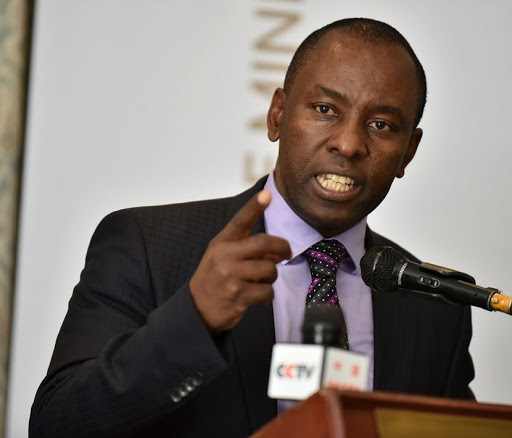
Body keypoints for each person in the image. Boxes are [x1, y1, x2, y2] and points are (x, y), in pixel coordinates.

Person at [29, 17, 474, 438]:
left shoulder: (434, 304)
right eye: (325, 109)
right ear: (277, 115)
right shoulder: (146, 244)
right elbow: (57, 424)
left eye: (381, 125)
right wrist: (194, 319)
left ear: (408, 152)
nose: (349, 143)